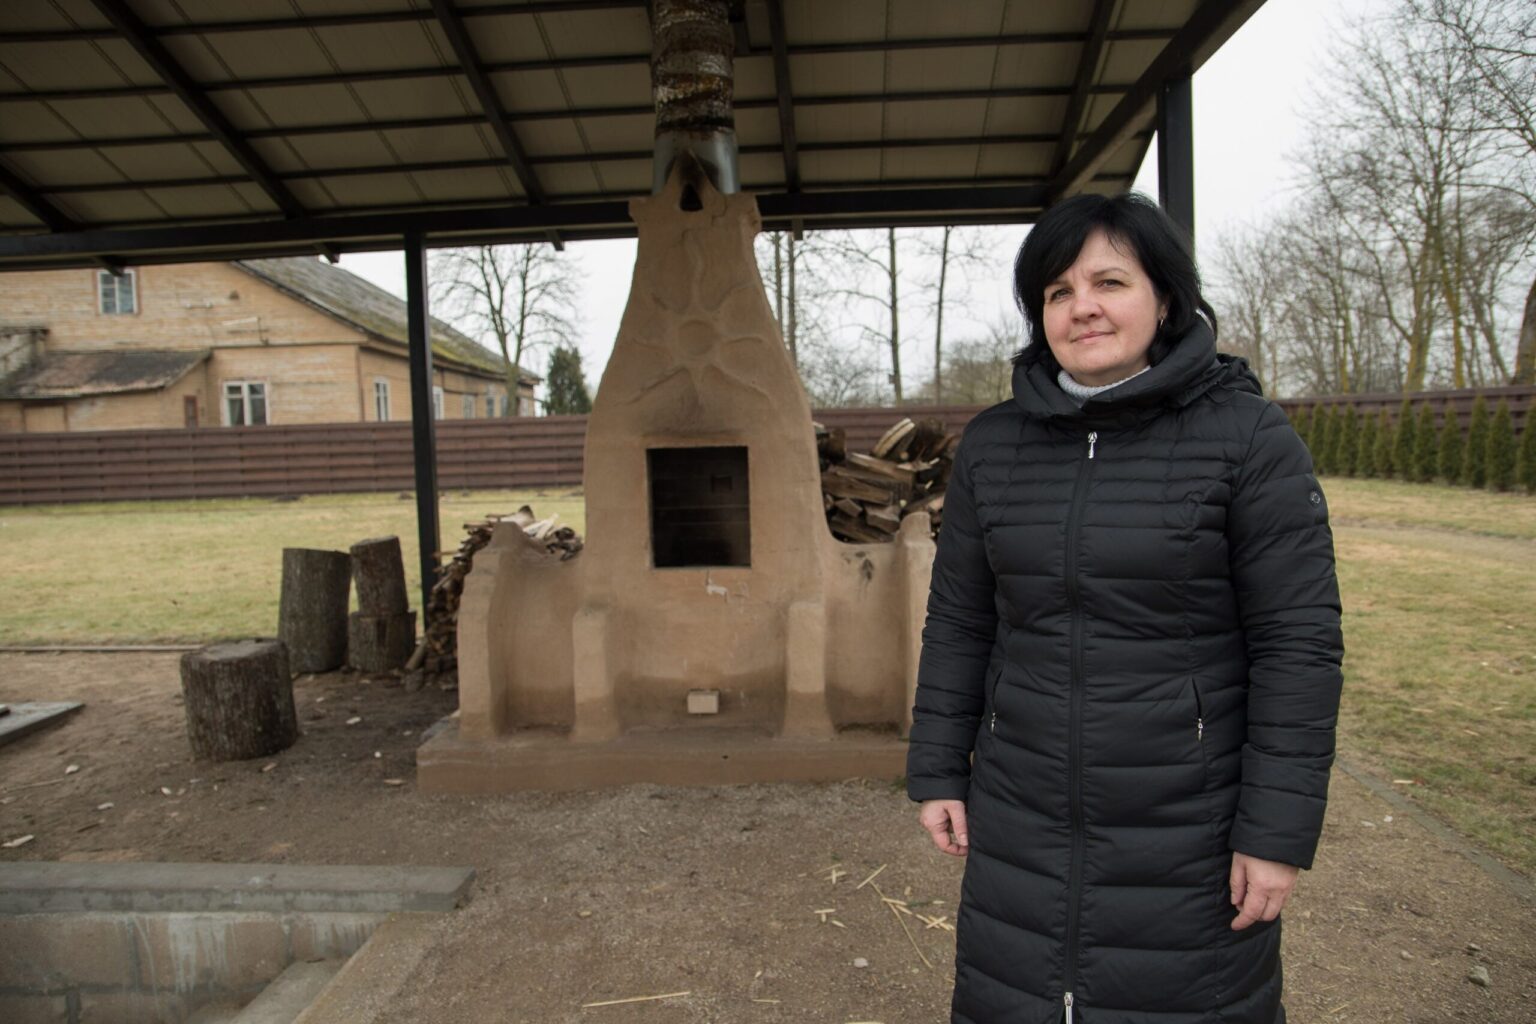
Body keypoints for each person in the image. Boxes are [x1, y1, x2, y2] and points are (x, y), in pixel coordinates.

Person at [906, 191, 1343, 1024]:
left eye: (1110, 281)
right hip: (1021, 809)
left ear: (1166, 297)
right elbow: (961, 620)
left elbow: (1298, 647)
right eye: (1059, 292)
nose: (1084, 308)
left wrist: (1276, 833)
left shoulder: (1248, 439)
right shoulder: (994, 447)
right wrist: (936, 766)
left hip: (1188, 821)